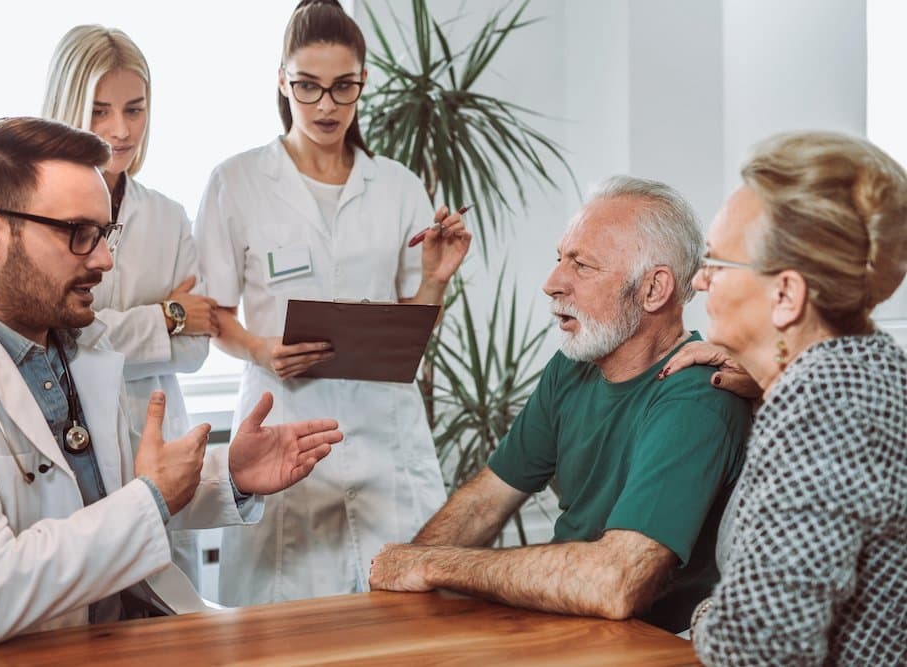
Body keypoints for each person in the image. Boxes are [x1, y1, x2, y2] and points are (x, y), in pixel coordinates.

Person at [0, 117, 343, 649]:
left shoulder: (78, 346)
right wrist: (153, 496)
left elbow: (126, 489)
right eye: (79, 235)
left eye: (105, 233)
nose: (104, 260)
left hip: (126, 633)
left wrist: (229, 475)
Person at [368, 176, 751, 634]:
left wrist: (433, 565)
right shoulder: (573, 366)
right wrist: (402, 589)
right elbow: (486, 502)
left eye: (582, 266)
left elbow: (615, 583)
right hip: (564, 627)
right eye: (559, 259)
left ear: (653, 289)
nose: (552, 283)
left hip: (645, 643)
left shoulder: (698, 397)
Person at [194, 0, 471, 606]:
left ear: (362, 82)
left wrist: (435, 280)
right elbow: (210, 313)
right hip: (287, 426)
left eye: (343, 88)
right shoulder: (236, 182)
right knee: (286, 630)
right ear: (281, 81)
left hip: (386, 439)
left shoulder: (397, 186)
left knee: (405, 626)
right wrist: (261, 350)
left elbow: (411, 328)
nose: (325, 106)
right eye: (308, 87)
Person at [657, 131, 907, 665]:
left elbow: (760, 646)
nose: (700, 281)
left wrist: (706, 616)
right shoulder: (864, 370)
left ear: (786, 295)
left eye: (718, 263)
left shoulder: (825, 404)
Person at [41, 25, 215, 587]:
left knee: (169, 613)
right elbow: (54, 334)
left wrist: (165, 325)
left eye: (135, 110)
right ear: (68, 108)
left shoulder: (167, 216)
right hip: (66, 451)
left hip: (153, 444)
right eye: (99, 110)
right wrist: (165, 315)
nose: (121, 130)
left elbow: (194, 350)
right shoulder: (33, 213)